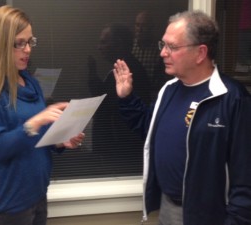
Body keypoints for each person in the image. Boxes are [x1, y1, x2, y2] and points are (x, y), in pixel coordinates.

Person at [113, 10, 251, 225]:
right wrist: (127, 98)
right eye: (163, 45)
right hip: (169, 208)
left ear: (200, 52)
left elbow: (245, 174)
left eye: (172, 47)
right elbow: (149, 129)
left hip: (210, 215)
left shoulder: (231, 98)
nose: (163, 53)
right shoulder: (169, 90)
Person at [0, 5, 85, 225]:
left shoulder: (30, 82)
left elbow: (36, 138)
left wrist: (60, 141)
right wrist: (36, 122)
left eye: (30, 41)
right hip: (6, 207)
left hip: (37, 196)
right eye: (19, 43)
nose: (28, 49)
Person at [87, 23, 150, 173]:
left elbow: (108, 105)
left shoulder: (130, 72)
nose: (99, 47)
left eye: (104, 42)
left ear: (119, 43)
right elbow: (103, 97)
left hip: (120, 151)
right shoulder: (118, 70)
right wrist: (92, 72)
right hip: (115, 148)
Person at [132, 10, 169, 100]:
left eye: (144, 25)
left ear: (151, 27)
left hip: (153, 95)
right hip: (133, 93)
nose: (140, 29)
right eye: (137, 25)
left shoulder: (160, 48)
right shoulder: (130, 47)